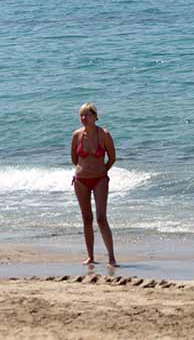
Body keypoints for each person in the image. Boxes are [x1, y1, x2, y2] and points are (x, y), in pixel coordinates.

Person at [71, 102, 117, 267]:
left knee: (101, 218)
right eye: (81, 115)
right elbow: (74, 159)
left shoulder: (104, 134)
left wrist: (102, 171)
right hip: (81, 180)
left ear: (95, 117)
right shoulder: (77, 135)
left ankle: (111, 257)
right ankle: (90, 256)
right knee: (86, 218)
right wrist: (83, 170)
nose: (84, 118)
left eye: (87, 115)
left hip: (99, 179)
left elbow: (112, 157)